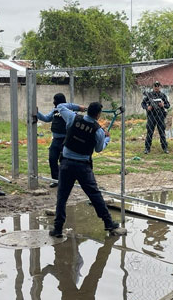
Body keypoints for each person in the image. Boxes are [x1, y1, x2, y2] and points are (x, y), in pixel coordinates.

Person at [49, 101, 124, 238]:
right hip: (83, 167)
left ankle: (58, 228)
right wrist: (107, 138)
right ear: (98, 115)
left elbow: (59, 106)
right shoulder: (98, 131)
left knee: (62, 197)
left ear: (87, 110)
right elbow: (99, 149)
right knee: (95, 195)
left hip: (66, 164)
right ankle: (108, 223)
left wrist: (78, 107)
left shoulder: (73, 118)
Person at [37, 93, 85, 188]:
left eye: (55, 100)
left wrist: (79, 107)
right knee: (52, 159)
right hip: (55, 140)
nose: (53, 102)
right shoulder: (55, 110)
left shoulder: (68, 110)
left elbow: (70, 105)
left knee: (64, 161)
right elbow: (46, 118)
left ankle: (66, 180)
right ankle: (56, 180)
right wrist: (37, 113)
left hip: (66, 140)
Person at [141, 81, 171, 154]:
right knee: (149, 133)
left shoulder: (163, 95)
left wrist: (163, 105)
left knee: (162, 133)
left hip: (160, 116)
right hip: (151, 116)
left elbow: (168, 105)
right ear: (153, 87)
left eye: (158, 86)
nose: (156, 87)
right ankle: (147, 149)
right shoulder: (149, 95)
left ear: (160, 87)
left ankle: (165, 148)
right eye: (155, 86)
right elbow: (142, 104)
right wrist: (147, 107)